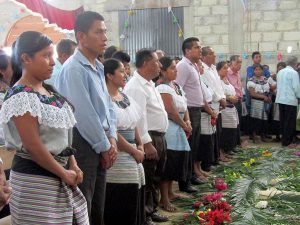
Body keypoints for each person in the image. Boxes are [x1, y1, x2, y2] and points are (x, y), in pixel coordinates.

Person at [0, 31, 89, 224]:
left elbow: (64, 138)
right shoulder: (21, 96)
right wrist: (63, 172)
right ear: (25, 59)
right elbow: (33, 145)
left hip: (59, 173)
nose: (53, 62)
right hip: (35, 180)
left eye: (53, 56)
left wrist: (73, 164)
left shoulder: (50, 93)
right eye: (46, 56)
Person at [55, 11, 118, 225]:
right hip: (83, 143)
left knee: (98, 203)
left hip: (100, 141)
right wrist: (104, 145)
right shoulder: (74, 69)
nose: (105, 38)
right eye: (98, 32)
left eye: (105, 31)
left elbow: (108, 107)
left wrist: (112, 138)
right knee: (83, 206)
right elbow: (83, 113)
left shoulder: (98, 67)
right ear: (81, 36)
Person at [124, 49, 169, 225]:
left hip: (158, 135)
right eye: (156, 62)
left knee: (156, 175)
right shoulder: (135, 86)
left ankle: (152, 209)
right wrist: (146, 143)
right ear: (145, 64)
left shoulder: (149, 83)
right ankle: (144, 214)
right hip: (149, 137)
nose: (159, 65)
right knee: (148, 177)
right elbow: (138, 117)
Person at [104, 59, 145, 225]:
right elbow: (110, 130)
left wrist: (140, 144)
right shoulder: (104, 99)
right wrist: (133, 150)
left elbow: (134, 123)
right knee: (121, 202)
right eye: (121, 71)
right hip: (119, 157)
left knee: (135, 198)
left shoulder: (124, 96)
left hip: (134, 155)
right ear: (109, 75)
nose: (125, 74)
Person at [155, 57, 191, 212]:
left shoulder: (175, 85)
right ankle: (163, 198)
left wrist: (187, 121)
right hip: (171, 128)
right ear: (162, 71)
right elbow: (170, 110)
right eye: (172, 68)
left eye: (176, 68)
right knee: (168, 164)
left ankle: (170, 192)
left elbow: (184, 105)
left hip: (180, 126)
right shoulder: (162, 88)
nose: (175, 71)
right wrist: (184, 124)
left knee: (176, 161)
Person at [176, 37, 206, 193]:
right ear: (187, 50)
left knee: (194, 144)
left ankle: (192, 174)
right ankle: (185, 181)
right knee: (188, 146)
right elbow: (178, 89)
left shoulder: (193, 65)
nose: (200, 49)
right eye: (197, 47)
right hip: (189, 110)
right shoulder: (183, 66)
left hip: (195, 110)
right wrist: (185, 116)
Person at [201, 46, 226, 167]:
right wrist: (220, 98)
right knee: (209, 134)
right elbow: (210, 87)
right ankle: (208, 161)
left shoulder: (213, 68)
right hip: (211, 104)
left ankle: (215, 157)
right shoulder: (203, 70)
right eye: (211, 53)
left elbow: (218, 86)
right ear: (204, 56)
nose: (214, 55)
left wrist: (223, 97)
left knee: (217, 132)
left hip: (218, 105)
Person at [276, 56, 300, 147]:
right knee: (290, 122)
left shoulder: (280, 72)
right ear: (295, 64)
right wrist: (299, 97)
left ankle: (284, 140)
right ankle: (288, 142)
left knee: (283, 120)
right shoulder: (294, 73)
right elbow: (296, 87)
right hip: (290, 100)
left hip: (280, 99)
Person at [217, 61, 239, 158]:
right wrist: (229, 98)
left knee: (231, 130)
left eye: (227, 68)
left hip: (231, 108)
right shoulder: (218, 81)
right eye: (224, 68)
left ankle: (227, 149)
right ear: (218, 70)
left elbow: (233, 92)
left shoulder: (227, 80)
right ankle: (221, 151)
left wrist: (234, 98)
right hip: (224, 108)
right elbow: (218, 94)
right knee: (224, 131)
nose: (226, 70)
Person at [247, 64, 272, 143]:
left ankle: (262, 135)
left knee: (264, 119)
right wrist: (263, 97)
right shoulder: (251, 80)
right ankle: (255, 136)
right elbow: (252, 93)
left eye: (260, 69)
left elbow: (269, 90)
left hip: (265, 102)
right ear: (254, 71)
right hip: (256, 102)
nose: (258, 71)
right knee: (256, 119)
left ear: (262, 70)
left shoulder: (265, 79)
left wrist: (269, 97)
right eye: (256, 70)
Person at [227, 55, 247, 148]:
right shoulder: (227, 73)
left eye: (241, 62)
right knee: (233, 123)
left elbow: (239, 87)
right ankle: (233, 143)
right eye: (237, 62)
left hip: (239, 100)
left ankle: (237, 142)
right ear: (231, 62)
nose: (240, 64)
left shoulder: (238, 73)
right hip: (231, 100)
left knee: (239, 122)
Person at [268, 62, 286, 142]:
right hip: (276, 99)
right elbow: (270, 88)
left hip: (285, 99)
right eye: (279, 69)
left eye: (282, 69)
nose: (280, 70)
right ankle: (277, 135)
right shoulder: (272, 77)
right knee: (276, 118)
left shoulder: (287, 76)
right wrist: (278, 81)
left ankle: (284, 135)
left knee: (284, 118)